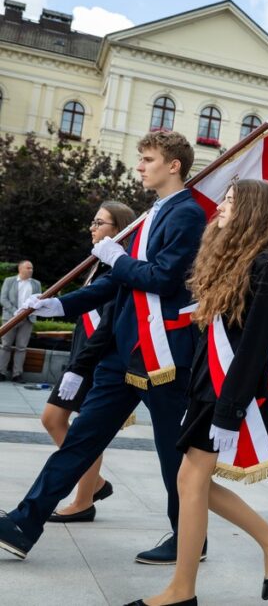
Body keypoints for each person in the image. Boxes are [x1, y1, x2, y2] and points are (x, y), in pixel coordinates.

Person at [0, 131, 205, 564]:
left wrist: (117, 257)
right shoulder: (153, 214)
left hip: (162, 353)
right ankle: (24, 522)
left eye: (148, 159)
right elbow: (118, 283)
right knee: (80, 439)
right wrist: (60, 304)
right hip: (122, 352)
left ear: (174, 166)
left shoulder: (187, 214)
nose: (140, 166)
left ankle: (189, 539)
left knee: (172, 453)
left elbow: (162, 279)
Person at [129, 179, 268, 606]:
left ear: (252, 211)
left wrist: (230, 411)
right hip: (209, 387)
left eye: (231, 200)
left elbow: (254, 347)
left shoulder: (267, 266)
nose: (221, 206)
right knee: (191, 480)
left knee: (190, 481)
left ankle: (182, 591)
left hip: (228, 392)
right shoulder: (239, 261)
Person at [41, 201, 135, 523]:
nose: (92, 228)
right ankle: (94, 483)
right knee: (53, 419)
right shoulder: (98, 265)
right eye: (93, 222)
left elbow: (107, 327)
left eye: (100, 223)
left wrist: (80, 367)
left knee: (83, 432)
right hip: (82, 358)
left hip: (95, 362)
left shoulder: (118, 269)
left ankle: (84, 501)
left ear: (119, 230)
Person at [0, 260, 41, 382]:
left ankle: (17, 374)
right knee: (5, 346)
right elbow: (3, 299)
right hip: (10, 318)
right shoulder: (9, 281)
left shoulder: (36, 283)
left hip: (28, 319)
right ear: (20, 269)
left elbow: (39, 300)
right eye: (28, 268)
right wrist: (16, 312)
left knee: (21, 347)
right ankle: (1, 372)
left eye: (31, 268)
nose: (31, 270)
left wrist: (26, 313)